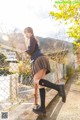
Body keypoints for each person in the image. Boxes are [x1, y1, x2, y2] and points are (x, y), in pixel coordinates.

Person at [24, 27, 66, 114]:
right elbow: (33, 50)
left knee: (36, 80)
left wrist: (24, 51)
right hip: (42, 58)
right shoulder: (34, 39)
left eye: (26, 33)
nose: (25, 35)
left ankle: (59, 87)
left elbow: (31, 50)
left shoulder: (32, 38)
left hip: (39, 59)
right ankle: (42, 108)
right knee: (41, 84)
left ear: (29, 32)